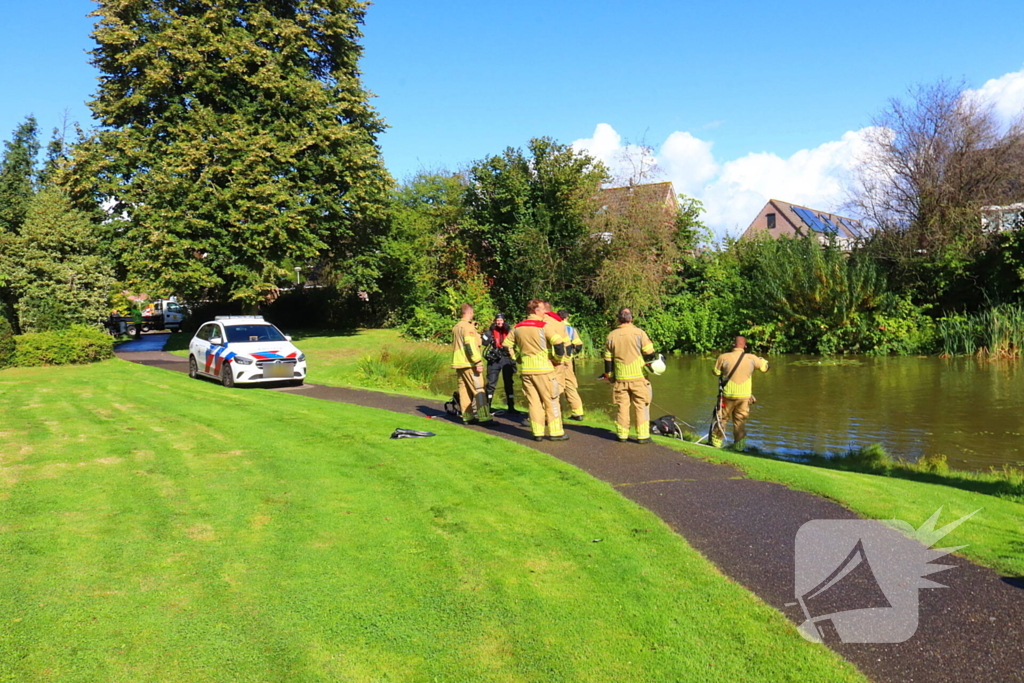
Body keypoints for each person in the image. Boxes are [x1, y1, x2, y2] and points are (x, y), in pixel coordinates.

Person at [504, 299, 569, 441]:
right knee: (552, 400)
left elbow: (506, 345)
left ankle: (538, 432)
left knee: (533, 403)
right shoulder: (543, 326)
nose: (545, 312)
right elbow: (559, 343)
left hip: (526, 370)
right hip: (544, 370)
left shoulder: (518, 327)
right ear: (536, 310)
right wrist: (557, 359)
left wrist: (517, 358)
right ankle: (556, 432)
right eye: (542, 309)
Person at [604, 308, 658, 443]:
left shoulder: (611, 336)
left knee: (622, 407)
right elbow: (650, 353)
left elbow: (608, 359)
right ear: (631, 319)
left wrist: (610, 376)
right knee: (641, 405)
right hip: (639, 377)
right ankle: (643, 436)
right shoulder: (639, 333)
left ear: (618, 319)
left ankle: (622, 435)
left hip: (620, 378)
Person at [711, 336, 770, 447]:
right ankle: (739, 446)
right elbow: (765, 368)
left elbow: (716, 372)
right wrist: (762, 360)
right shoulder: (752, 358)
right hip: (744, 397)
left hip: (728, 395)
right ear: (745, 346)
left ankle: (716, 443)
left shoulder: (723, 357)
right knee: (740, 422)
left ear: (733, 344)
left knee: (722, 419)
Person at [542, 304, 584, 421]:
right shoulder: (571, 329)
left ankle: (554, 412)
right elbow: (578, 345)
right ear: (567, 317)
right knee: (570, 385)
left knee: (555, 386)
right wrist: (571, 355)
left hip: (556, 361)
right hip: (568, 361)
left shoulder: (550, 325)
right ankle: (578, 412)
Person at [451, 304, 491, 425]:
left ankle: (467, 417)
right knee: (479, 390)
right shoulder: (468, 327)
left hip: (459, 363)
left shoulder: (456, 327)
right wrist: (477, 361)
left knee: (464, 391)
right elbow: (470, 345)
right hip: (469, 363)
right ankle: (484, 417)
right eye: (472, 313)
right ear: (469, 313)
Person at [481, 313, 519, 414]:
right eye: (497, 320)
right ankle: (487, 406)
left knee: (509, 383)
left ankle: (511, 407)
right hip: (495, 359)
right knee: (491, 383)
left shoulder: (509, 331)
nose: (499, 322)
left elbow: (517, 341)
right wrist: (488, 334)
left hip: (507, 358)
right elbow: (483, 342)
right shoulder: (491, 331)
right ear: (495, 321)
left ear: (504, 321)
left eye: (501, 320)